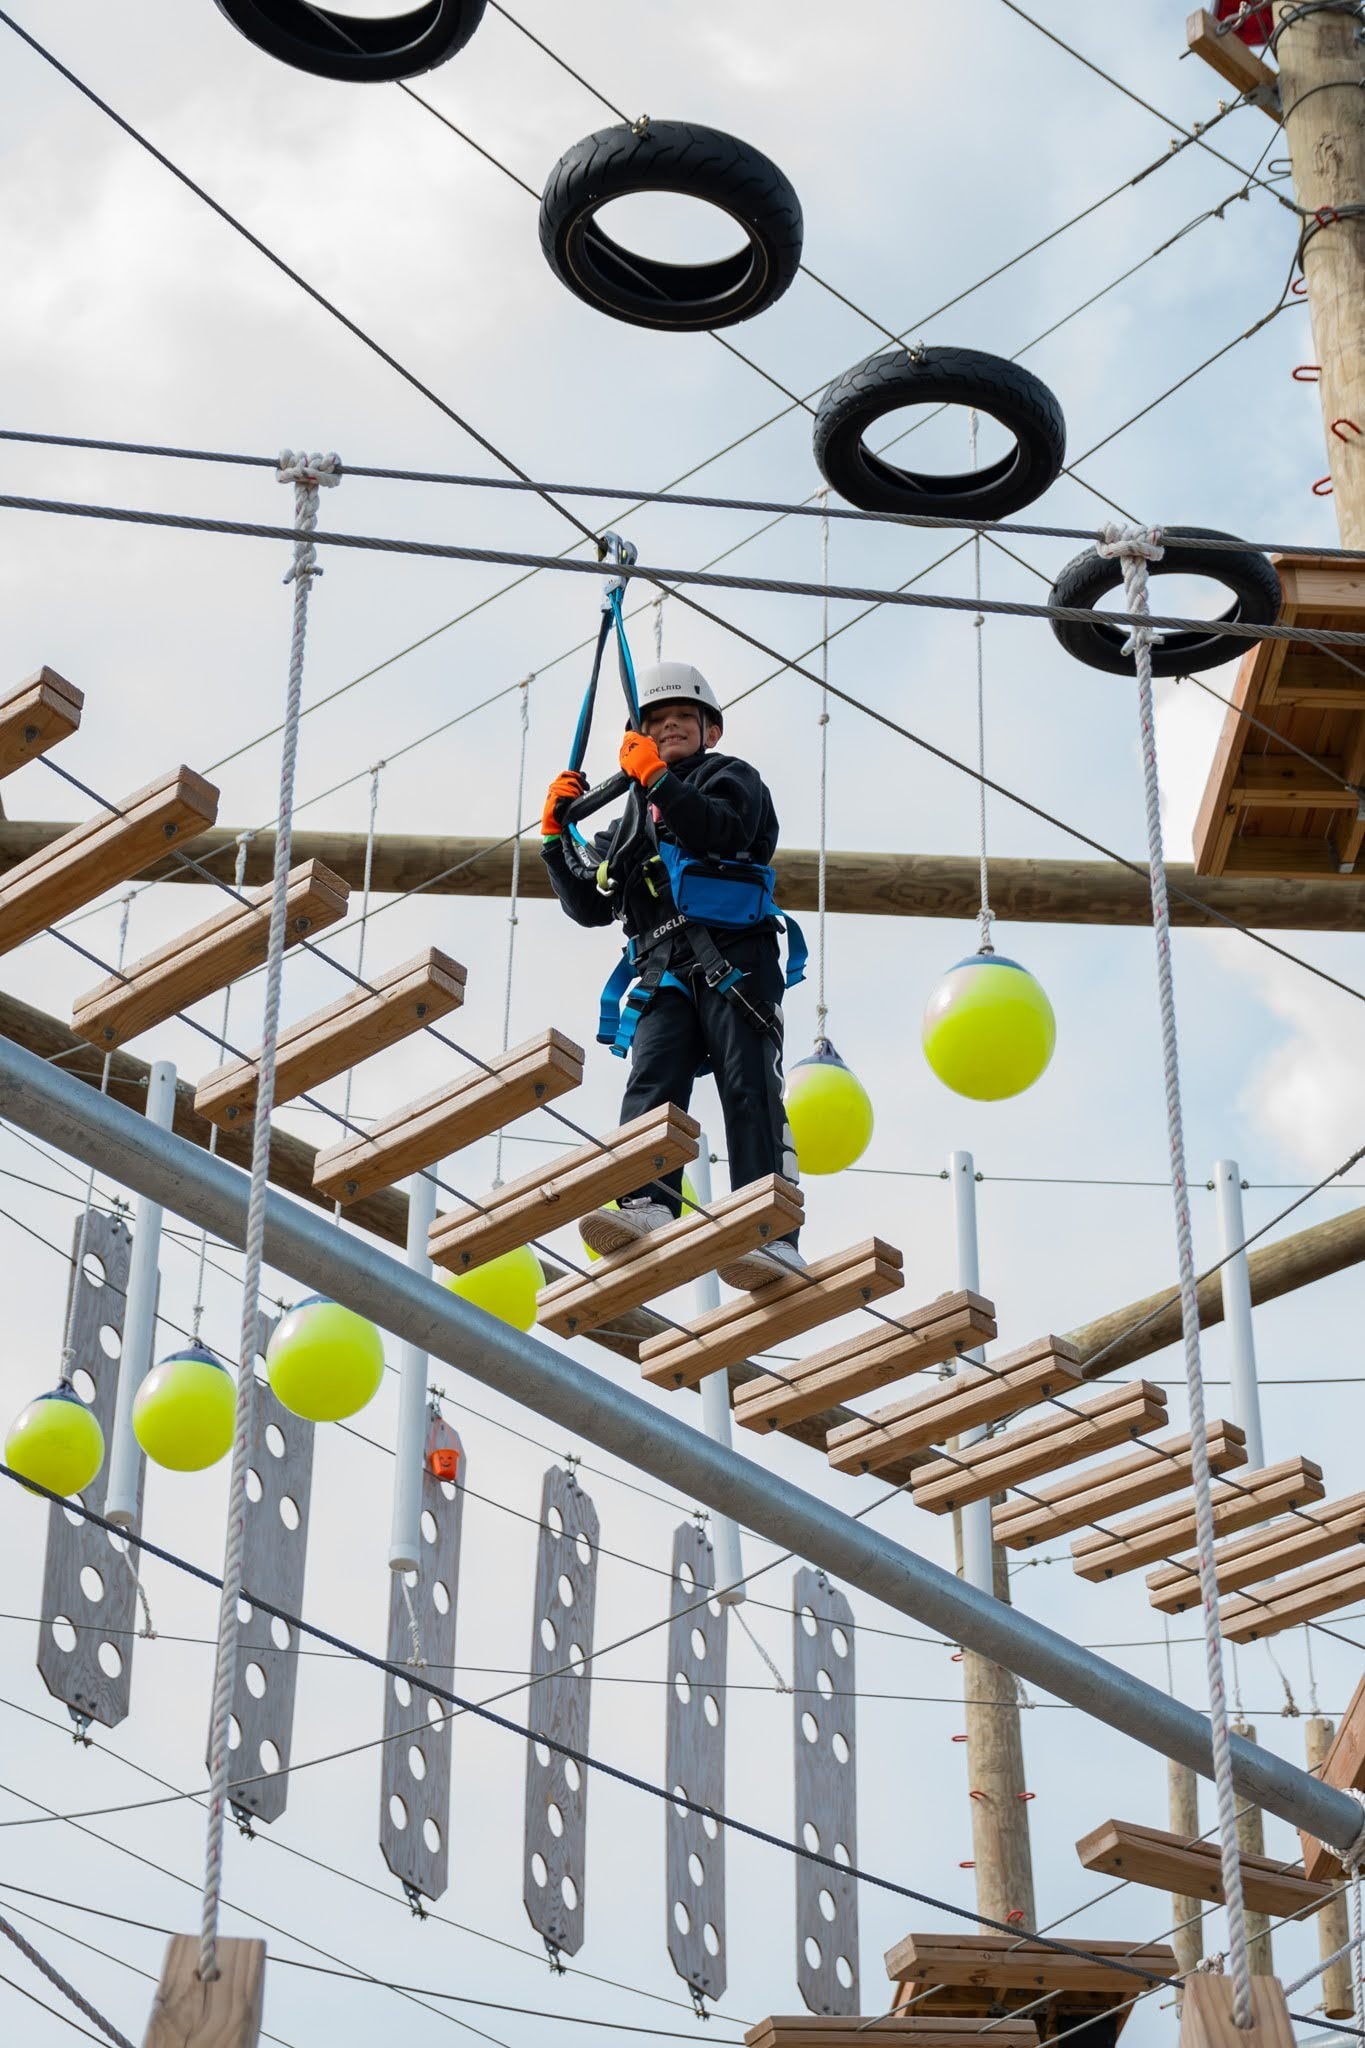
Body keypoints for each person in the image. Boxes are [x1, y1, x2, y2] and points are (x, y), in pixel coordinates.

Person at [541, 660, 804, 1288]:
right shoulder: (630, 820)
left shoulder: (732, 779)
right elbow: (590, 903)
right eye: (657, 723)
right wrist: (554, 839)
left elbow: (721, 830)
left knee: (747, 1086)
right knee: (652, 1079)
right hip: (663, 967)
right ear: (640, 736)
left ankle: (770, 1232)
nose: (671, 728)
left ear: (711, 730)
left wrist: (657, 779)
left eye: (685, 718)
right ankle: (646, 1200)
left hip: (735, 958)